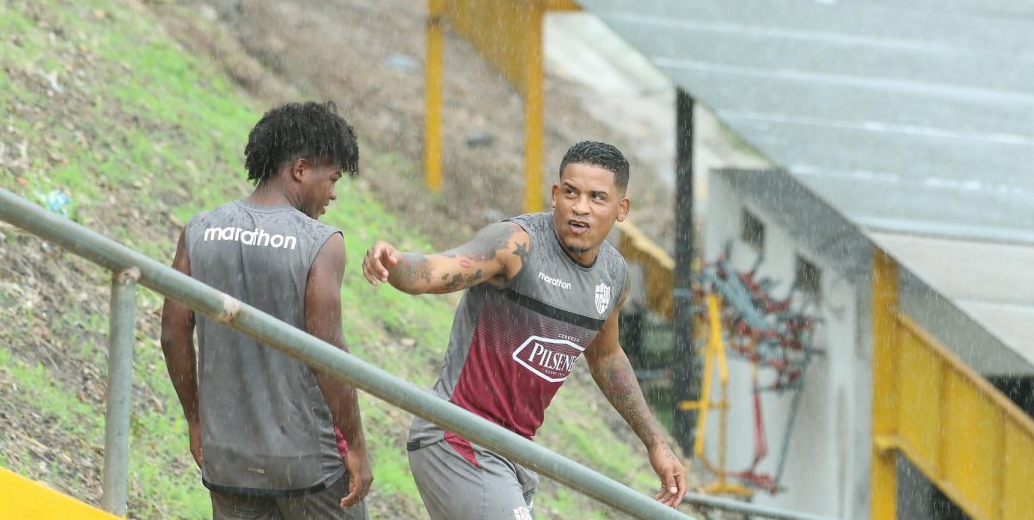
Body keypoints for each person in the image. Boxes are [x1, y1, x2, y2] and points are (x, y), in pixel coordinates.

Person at [363, 141, 686, 519]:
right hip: (458, 436)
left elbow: (607, 357)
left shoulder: (613, 276)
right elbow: (435, 271)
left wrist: (655, 443)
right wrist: (396, 263)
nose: (580, 207)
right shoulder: (517, 244)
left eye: (597, 197)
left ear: (621, 209)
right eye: (571, 192)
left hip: (515, 454)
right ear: (555, 195)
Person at [161, 101, 373, 519]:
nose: (332, 193)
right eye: (331, 179)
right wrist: (357, 445)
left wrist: (196, 420)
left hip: (229, 456)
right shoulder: (321, 242)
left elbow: (172, 334)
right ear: (299, 169)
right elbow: (327, 354)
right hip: (308, 462)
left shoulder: (200, 230)